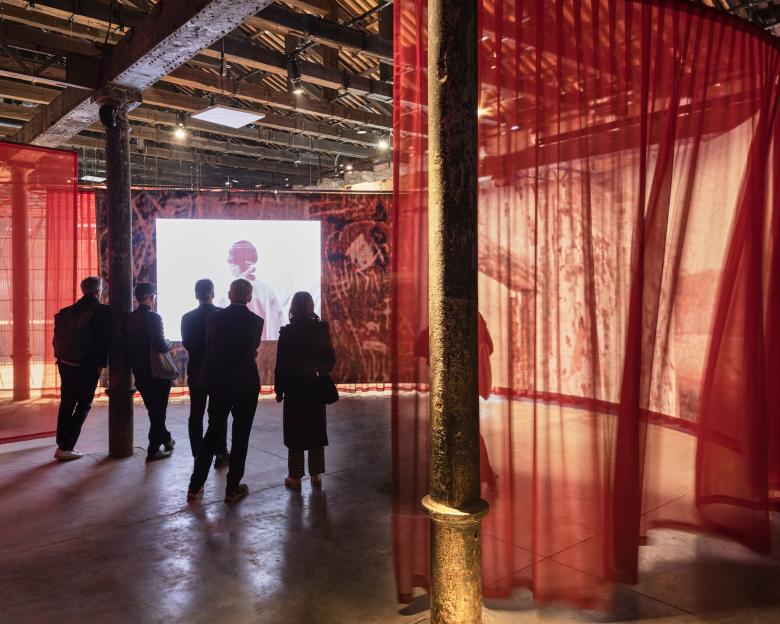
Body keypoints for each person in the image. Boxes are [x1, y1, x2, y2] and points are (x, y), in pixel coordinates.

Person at [188, 278, 263, 503]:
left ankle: (195, 486)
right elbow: (252, 348)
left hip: (219, 383)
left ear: (229, 295)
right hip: (246, 384)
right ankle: (232, 488)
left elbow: (212, 345)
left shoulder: (214, 318)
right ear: (249, 297)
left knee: (213, 432)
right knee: (241, 436)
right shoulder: (256, 321)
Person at [274, 291, 336, 491]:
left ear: (293, 307)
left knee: (295, 431)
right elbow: (330, 360)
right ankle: (316, 475)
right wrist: (318, 371)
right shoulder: (321, 329)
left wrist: (279, 390)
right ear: (311, 306)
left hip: (294, 388)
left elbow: (281, 365)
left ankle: (295, 477)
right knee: (316, 428)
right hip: (316, 387)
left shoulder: (287, 332)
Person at [52, 276, 110, 461]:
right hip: (86, 366)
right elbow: (103, 342)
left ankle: (62, 443)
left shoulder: (67, 311)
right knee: (83, 405)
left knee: (67, 403)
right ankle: (66, 447)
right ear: (98, 291)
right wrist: (101, 365)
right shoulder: (101, 312)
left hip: (65, 363)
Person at [181, 279, 229, 467]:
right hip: (219, 370)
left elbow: (187, 344)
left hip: (196, 370)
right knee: (218, 413)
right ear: (213, 293)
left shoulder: (187, 317)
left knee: (196, 413)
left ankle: (197, 453)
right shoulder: (223, 315)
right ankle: (221, 452)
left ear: (196, 294)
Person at [125, 282, 176, 462]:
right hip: (156, 372)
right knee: (159, 412)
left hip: (139, 371)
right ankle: (153, 449)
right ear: (151, 298)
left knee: (154, 411)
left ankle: (167, 439)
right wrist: (170, 343)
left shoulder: (128, 319)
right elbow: (160, 345)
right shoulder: (153, 317)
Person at [219, 240, 284, 340]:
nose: (230, 263)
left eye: (234, 261)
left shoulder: (267, 291)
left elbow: (276, 325)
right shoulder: (268, 291)